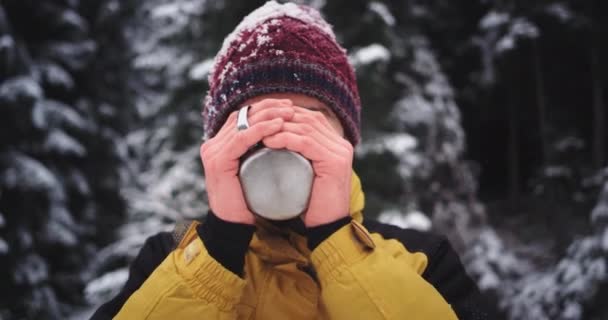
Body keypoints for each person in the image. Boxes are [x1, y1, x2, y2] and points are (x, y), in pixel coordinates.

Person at [91, 1, 492, 319]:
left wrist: (339, 246)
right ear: (220, 141)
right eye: (256, 117)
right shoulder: (171, 257)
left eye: (310, 118)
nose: (285, 138)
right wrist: (217, 249)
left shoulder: (422, 258)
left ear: (346, 139)